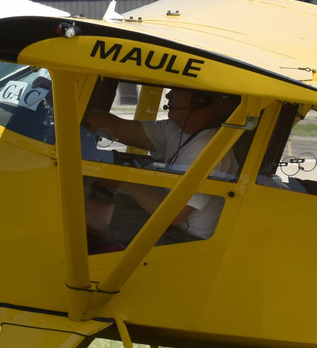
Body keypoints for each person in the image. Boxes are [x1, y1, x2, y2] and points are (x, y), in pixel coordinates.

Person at [83, 87, 241, 243]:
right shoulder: (179, 131)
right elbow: (120, 128)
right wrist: (76, 115)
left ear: (200, 100)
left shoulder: (207, 146)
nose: (169, 95)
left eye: (176, 91)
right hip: (167, 223)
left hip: (184, 239)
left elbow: (174, 214)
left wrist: (120, 181)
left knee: (85, 211)